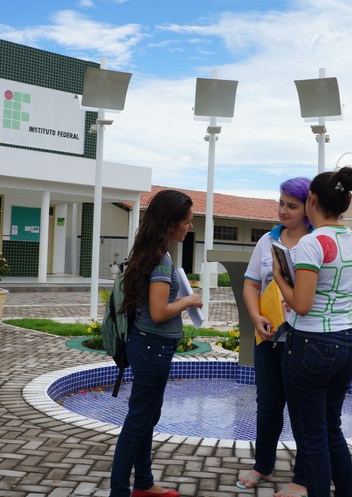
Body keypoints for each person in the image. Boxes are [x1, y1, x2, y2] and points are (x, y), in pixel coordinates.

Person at [271, 167, 352, 497]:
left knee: (312, 439)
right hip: (347, 342)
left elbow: (302, 305)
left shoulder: (313, 244)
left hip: (311, 344)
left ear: (311, 199)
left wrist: (279, 274)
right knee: (331, 430)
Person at [108, 189, 203, 497]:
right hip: (153, 348)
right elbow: (160, 311)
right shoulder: (161, 260)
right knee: (139, 421)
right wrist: (188, 300)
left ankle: (144, 483)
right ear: (170, 223)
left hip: (145, 345)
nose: (190, 227)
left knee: (146, 416)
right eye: (187, 222)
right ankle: (120, 491)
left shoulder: (147, 253)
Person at [237, 177, 312, 493]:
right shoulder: (267, 241)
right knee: (268, 404)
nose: (283, 211)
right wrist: (255, 318)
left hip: (304, 339)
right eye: (280, 203)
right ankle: (263, 465)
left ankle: (304, 477)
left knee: (302, 408)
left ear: (308, 208)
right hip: (269, 339)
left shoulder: (315, 242)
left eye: (291, 206)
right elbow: (251, 284)